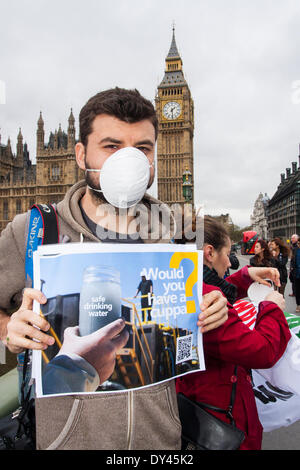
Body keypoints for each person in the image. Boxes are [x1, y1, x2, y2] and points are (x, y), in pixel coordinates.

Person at [0, 88, 228, 450]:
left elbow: (192, 310)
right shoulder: (32, 230)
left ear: (155, 156)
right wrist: (8, 330)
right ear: (80, 154)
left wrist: (214, 306)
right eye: (111, 146)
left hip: (161, 444)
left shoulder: (178, 231)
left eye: (142, 148)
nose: (128, 160)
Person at [176, 216, 291, 450]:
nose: (229, 263)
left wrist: (245, 276)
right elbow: (263, 351)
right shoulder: (205, 304)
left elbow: (217, 287)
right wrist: (271, 307)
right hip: (219, 418)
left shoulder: (181, 283)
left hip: (195, 403)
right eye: (226, 253)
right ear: (210, 252)